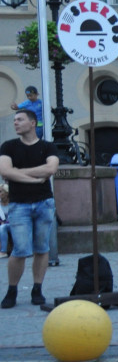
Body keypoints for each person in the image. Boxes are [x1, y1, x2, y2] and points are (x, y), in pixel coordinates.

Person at [0, 109, 58, 308]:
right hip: (19, 205)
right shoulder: (8, 146)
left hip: (44, 203)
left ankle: (37, 289)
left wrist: (18, 173)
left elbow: (50, 169)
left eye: (20, 119)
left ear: (32, 123)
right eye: (14, 120)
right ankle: (12, 290)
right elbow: (5, 171)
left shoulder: (47, 147)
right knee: (20, 249)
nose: (15, 123)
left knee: (42, 248)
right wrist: (34, 179)